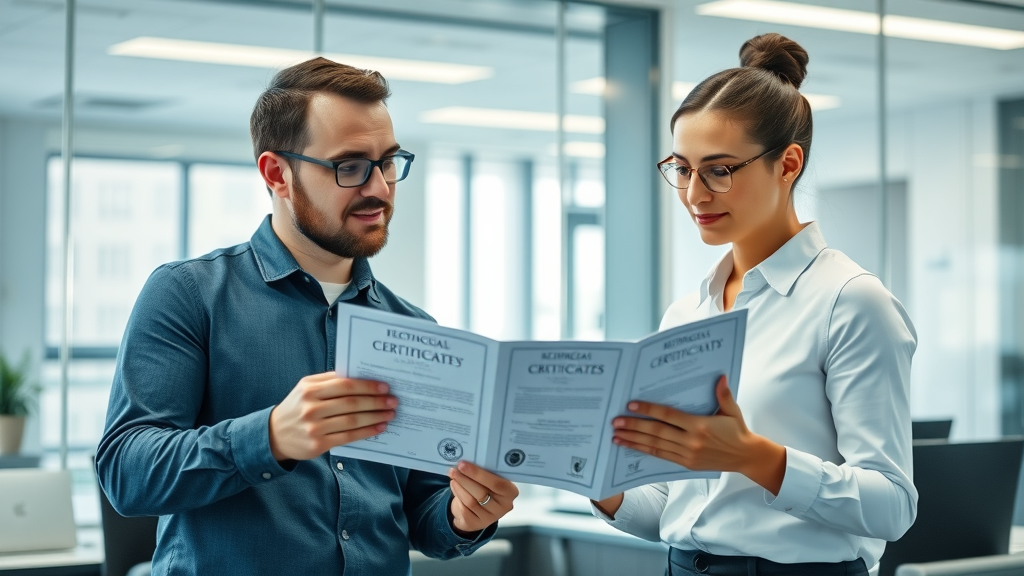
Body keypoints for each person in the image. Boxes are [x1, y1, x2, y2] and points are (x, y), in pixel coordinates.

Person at [95, 57, 518, 575]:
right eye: (350, 166)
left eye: (388, 162)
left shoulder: (415, 329)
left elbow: (423, 516)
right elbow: (126, 473)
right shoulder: (187, 294)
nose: (380, 189)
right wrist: (270, 437)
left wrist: (464, 514)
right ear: (278, 174)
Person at [592, 33, 917, 575]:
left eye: (719, 170)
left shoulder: (850, 302)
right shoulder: (687, 313)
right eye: (682, 168)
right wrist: (594, 480)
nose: (694, 194)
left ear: (788, 164)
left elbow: (893, 506)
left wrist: (753, 457)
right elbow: (685, 513)